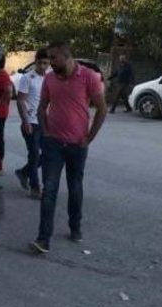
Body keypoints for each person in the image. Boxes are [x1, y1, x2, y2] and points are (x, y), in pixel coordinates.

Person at [31, 41, 107, 254]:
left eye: (54, 59)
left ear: (66, 56)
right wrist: (45, 131)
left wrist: (89, 138)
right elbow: (41, 107)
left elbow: (102, 109)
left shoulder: (88, 77)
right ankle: (43, 239)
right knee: (49, 190)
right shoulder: (49, 78)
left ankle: (75, 227)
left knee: (75, 188)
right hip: (53, 144)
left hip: (77, 145)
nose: (50, 63)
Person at [14, 47, 50, 198]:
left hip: (44, 122)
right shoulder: (27, 78)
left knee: (47, 154)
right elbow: (20, 100)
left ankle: (24, 172)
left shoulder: (50, 78)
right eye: (40, 63)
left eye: (46, 63)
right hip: (31, 123)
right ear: (35, 62)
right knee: (34, 154)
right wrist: (25, 121)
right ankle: (35, 188)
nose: (42, 66)